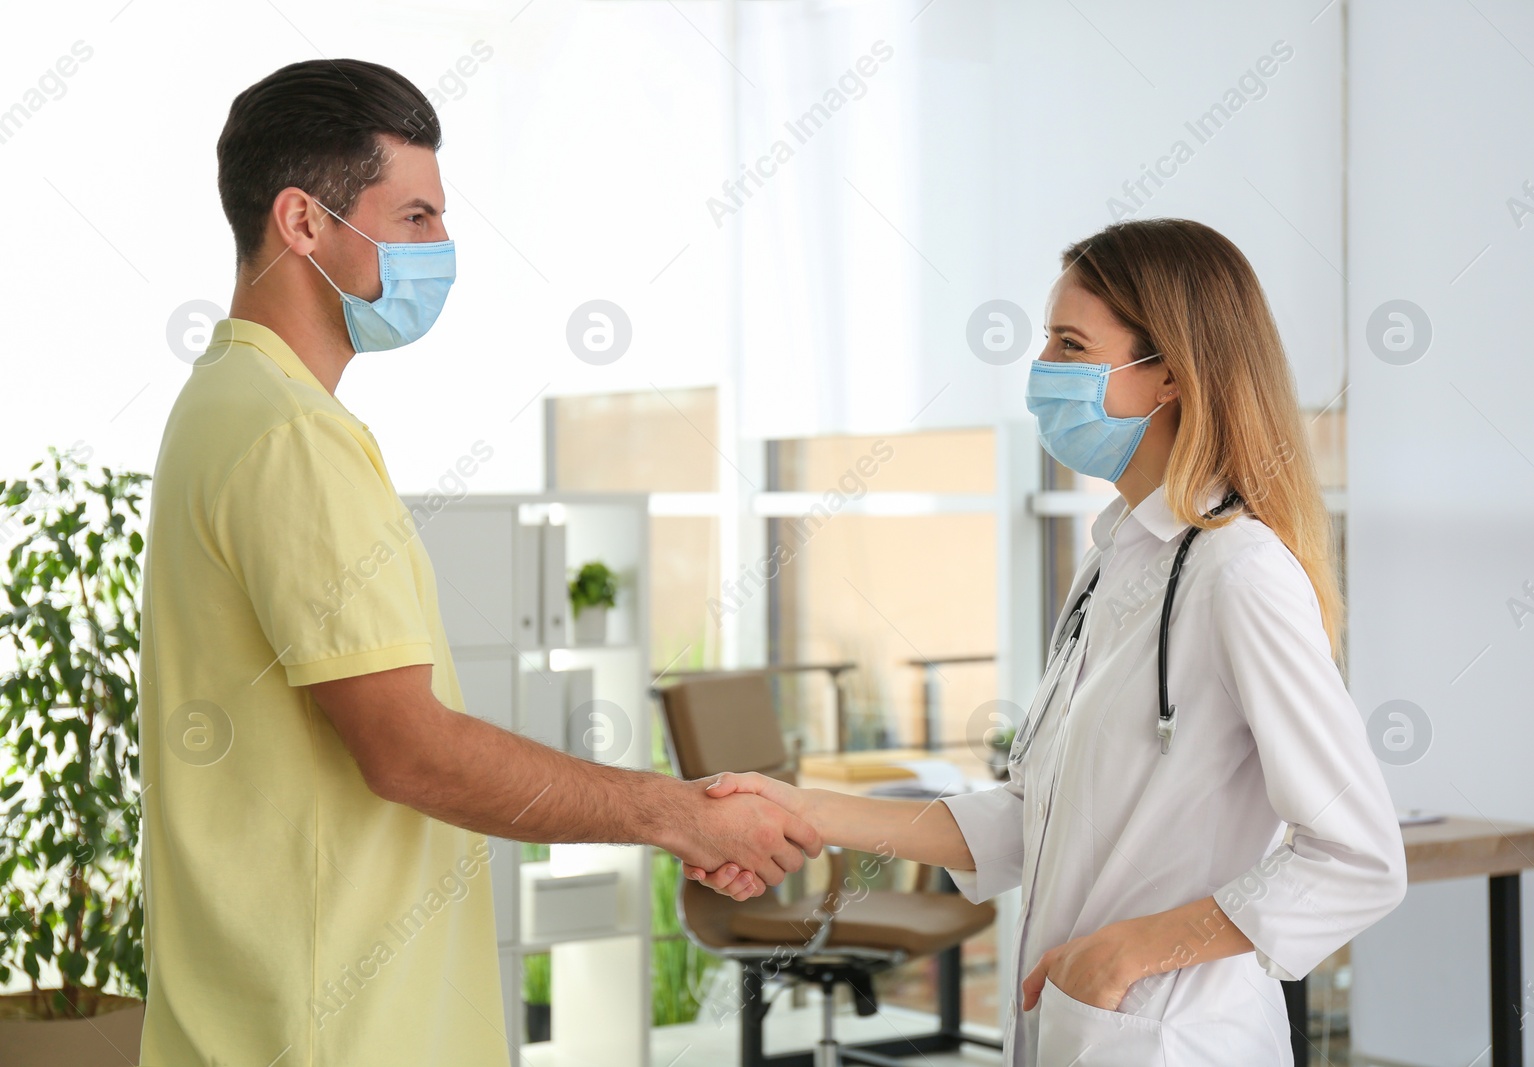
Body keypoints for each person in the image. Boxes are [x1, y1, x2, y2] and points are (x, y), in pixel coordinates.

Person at [137, 59, 817, 1067]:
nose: (441, 249)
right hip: (332, 1029)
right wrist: (677, 815)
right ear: (303, 222)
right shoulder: (289, 436)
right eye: (414, 218)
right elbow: (409, 748)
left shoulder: (230, 404)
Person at [689, 218, 1408, 1065]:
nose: (1043, 373)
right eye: (1047, 343)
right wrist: (803, 809)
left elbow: (1358, 857)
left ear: (1169, 374)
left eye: (1072, 345)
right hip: (1078, 1025)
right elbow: (1027, 822)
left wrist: (1131, 950)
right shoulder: (1113, 563)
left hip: (1171, 1036)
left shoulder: (1240, 572)